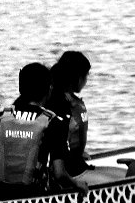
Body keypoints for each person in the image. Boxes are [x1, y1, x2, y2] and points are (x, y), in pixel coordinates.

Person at [0, 63, 85, 200]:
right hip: (32, 200)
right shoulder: (53, 122)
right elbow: (59, 173)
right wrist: (77, 184)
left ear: (21, 88)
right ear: (49, 89)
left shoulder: (1, 117)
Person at [48, 51, 125, 189]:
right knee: (126, 181)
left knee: (128, 174)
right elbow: (54, 140)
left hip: (80, 165)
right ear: (77, 77)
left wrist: (78, 150)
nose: (86, 80)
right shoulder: (59, 104)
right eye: (86, 76)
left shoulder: (73, 101)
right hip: (72, 173)